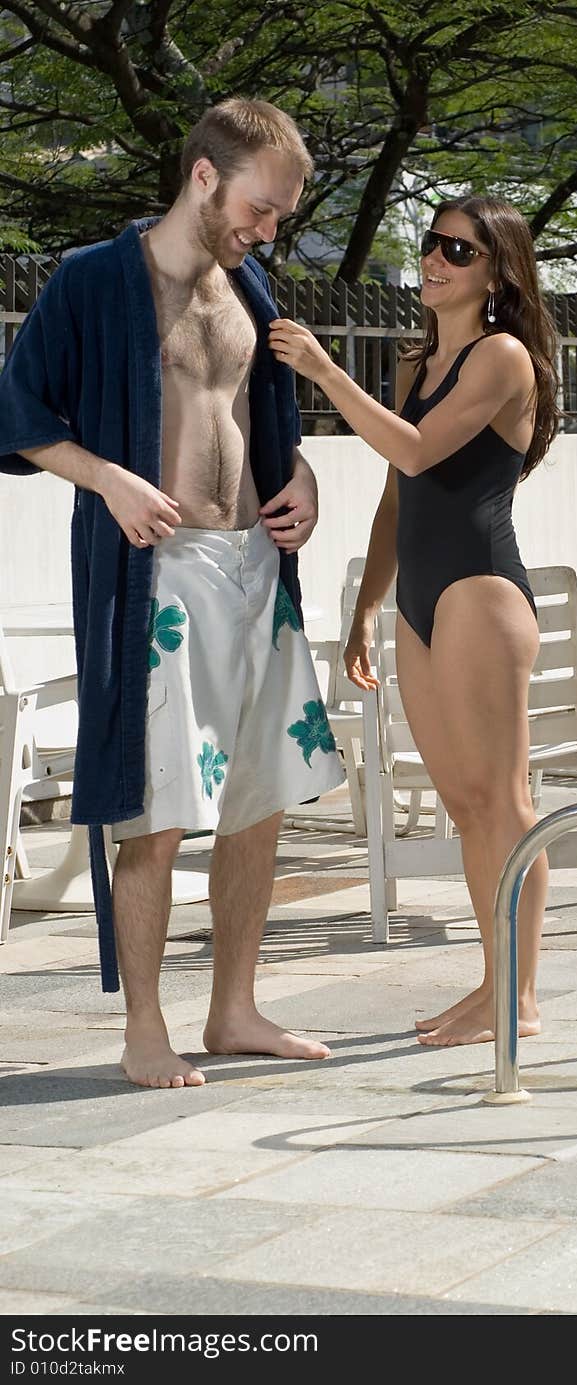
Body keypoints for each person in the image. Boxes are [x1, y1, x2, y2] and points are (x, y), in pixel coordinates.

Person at [0, 99, 344, 1088]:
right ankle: (144, 1028)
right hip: (163, 577)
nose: (268, 227)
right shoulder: (95, 282)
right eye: (260, 207)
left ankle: (233, 1007)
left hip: (256, 574)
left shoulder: (252, 289)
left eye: (277, 215)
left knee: (260, 803)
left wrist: (304, 478)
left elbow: (260, 415)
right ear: (204, 176)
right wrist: (104, 476)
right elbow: (17, 411)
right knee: (153, 811)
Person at [268, 196, 560, 1047]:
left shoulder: (503, 357)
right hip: (420, 600)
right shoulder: (417, 364)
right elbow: (399, 496)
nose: (434, 259)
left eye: (457, 250)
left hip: (480, 590)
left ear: (498, 272)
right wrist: (364, 607)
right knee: (467, 805)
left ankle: (524, 994)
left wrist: (324, 372)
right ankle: (493, 981)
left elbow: (418, 451)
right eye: (431, 244)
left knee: (504, 799)